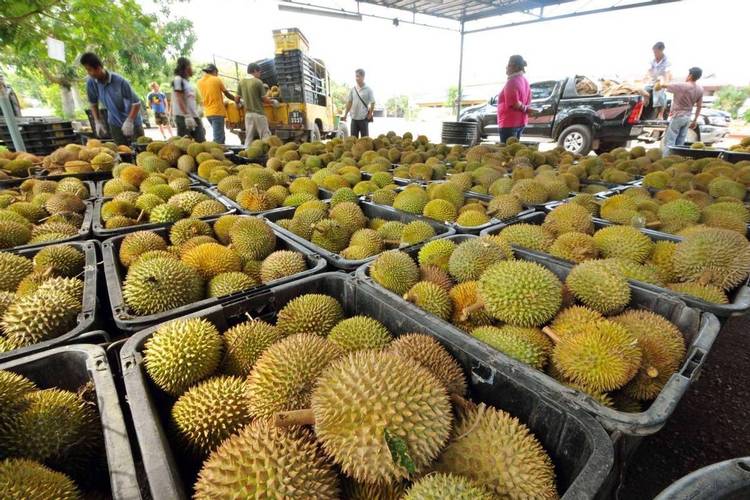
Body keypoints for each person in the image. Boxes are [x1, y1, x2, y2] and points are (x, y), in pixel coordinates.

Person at [81, 52, 144, 145]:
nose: (88, 73)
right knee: (122, 152)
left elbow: (136, 103)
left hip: (132, 120)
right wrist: (97, 121)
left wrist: (130, 121)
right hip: (114, 122)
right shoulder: (91, 83)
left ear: (98, 68)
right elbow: (93, 103)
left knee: (140, 150)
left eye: (89, 69)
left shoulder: (120, 81)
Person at [656, 66, 703, 156]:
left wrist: (661, 78)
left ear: (690, 75)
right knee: (680, 143)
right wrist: (695, 120)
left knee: (669, 142)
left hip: (677, 116)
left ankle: (666, 161)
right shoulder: (700, 89)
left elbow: (662, 85)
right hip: (687, 118)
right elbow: (699, 106)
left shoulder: (682, 85)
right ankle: (677, 160)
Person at [196, 63, 237, 144]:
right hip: (217, 112)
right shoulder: (216, 79)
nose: (217, 75)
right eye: (217, 73)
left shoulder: (199, 82)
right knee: (219, 139)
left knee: (219, 135)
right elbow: (227, 94)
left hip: (208, 113)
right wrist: (236, 99)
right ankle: (217, 155)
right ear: (214, 71)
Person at [237, 63, 276, 147]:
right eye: (259, 72)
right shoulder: (258, 82)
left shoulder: (241, 82)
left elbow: (237, 98)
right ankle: (266, 154)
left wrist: (239, 103)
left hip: (248, 114)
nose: (259, 74)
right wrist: (273, 102)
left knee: (249, 136)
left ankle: (245, 153)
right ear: (255, 71)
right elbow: (264, 99)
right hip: (259, 114)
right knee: (265, 135)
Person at [497, 54, 531, 144]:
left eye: (508, 65)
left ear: (515, 67)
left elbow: (514, 103)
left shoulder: (512, 82)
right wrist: (527, 109)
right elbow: (528, 101)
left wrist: (525, 109)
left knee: (506, 153)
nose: (506, 67)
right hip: (520, 122)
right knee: (513, 151)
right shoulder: (525, 81)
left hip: (509, 123)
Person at [171, 57, 205, 141]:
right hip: (183, 117)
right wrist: (187, 116)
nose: (192, 69)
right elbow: (179, 98)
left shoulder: (187, 82)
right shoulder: (178, 79)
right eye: (191, 66)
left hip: (193, 115)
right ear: (186, 67)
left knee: (200, 140)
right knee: (185, 143)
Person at [343, 69, 375, 138]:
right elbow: (349, 102)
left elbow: (373, 102)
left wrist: (370, 113)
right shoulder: (353, 89)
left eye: (358, 76)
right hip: (354, 119)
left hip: (363, 119)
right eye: (356, 76)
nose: (356, 78)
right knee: (353, 141)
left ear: (363, 77)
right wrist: (345, 114)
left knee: (365, 141)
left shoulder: (368, 89)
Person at [646, 42, 672, 120]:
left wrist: (665, 83)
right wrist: (647, 77)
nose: (655, 53)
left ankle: (660, 114)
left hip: (662, 80)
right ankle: (646, 103)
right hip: (653, 80)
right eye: (654, 52)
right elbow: (649, 70)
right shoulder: (653, 60)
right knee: (645, 88)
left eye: (656, 52)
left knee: (659, 93)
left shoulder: (667, 61)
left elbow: (667, 73)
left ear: (661, 50)